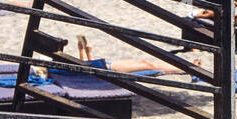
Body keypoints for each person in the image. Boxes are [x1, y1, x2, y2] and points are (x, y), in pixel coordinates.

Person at [75, 34, 203, 75]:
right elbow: (92, 72)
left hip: (106, 65)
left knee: (145, 62)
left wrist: (82, 50)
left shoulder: (66, 67)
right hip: (106, 68)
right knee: (149, 66)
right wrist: (88, 52)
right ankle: (185, 69)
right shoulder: (65, 69)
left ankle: (185, 68)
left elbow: (85, 67)